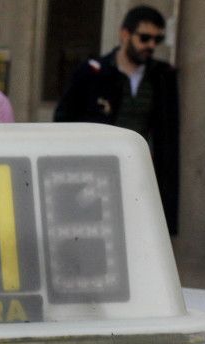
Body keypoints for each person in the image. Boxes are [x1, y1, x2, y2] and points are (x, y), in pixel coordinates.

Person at [54, 5, 178, 235]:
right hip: (95, 174)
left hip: (141, 176)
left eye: (156, 39)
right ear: (125, 34)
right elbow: (63, 120)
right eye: (144, 38)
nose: (151, 45)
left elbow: (169, 138)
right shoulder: (93, 73)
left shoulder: (162, 77)